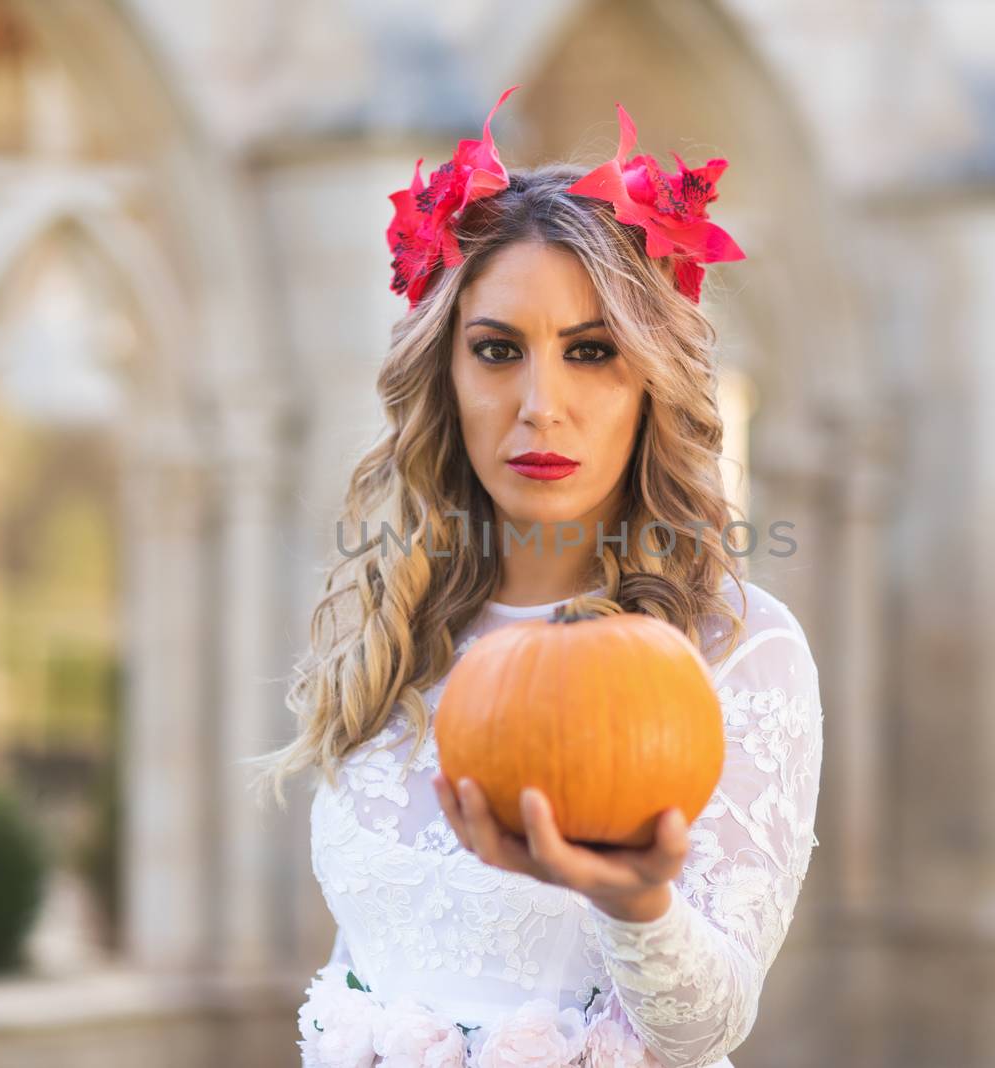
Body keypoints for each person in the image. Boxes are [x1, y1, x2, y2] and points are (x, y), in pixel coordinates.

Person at [251, 84, 824, 1068]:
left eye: (592, 352)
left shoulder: (734, 649)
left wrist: (631, 899)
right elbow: (368, 975)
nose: (539, 404)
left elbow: (707, 1024)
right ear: (445, 375)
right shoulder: (392, 625)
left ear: (650, 384)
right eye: (497, 351)